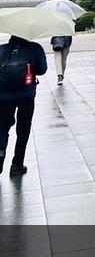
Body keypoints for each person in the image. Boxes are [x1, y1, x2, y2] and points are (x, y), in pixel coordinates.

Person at [0, 35, 48, 176]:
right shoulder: (35, 48)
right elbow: (42, 70)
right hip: (26, 95)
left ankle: (0, 155)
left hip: (3, 96)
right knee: (23, 129)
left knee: (2, 128)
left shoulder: (1, 50)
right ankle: (17, 164)